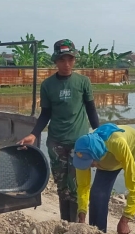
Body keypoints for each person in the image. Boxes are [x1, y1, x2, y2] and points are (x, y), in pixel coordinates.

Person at [17, 39, 100, 222]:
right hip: (56, 143)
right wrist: (34, 134)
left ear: (74, 60)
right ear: (56, 61)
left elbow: (91, 110)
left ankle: (79, 224)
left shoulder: (83, 82)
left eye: (70, 59)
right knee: (62, 187)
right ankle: (65, 224)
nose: (67, 64)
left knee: (78, 184)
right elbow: (45, 113)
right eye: (62, 60)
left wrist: (102, 134)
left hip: (80, 143)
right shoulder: (48, 85)